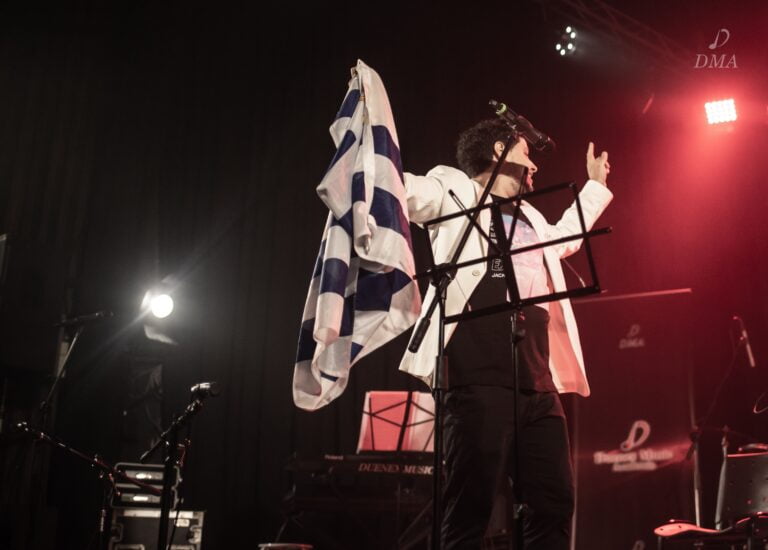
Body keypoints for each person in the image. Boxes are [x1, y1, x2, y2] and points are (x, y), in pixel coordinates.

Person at [398, 118, 613, 549]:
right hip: (477, 372)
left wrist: (594, 187)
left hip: (536, 377)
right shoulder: (454, 189)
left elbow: (564, 239)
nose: (534, 166)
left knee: (553, 502)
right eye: (526, 154)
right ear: (499, 151)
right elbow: (408, 192)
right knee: (471, 505)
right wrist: (371, 158)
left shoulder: (531, 215)